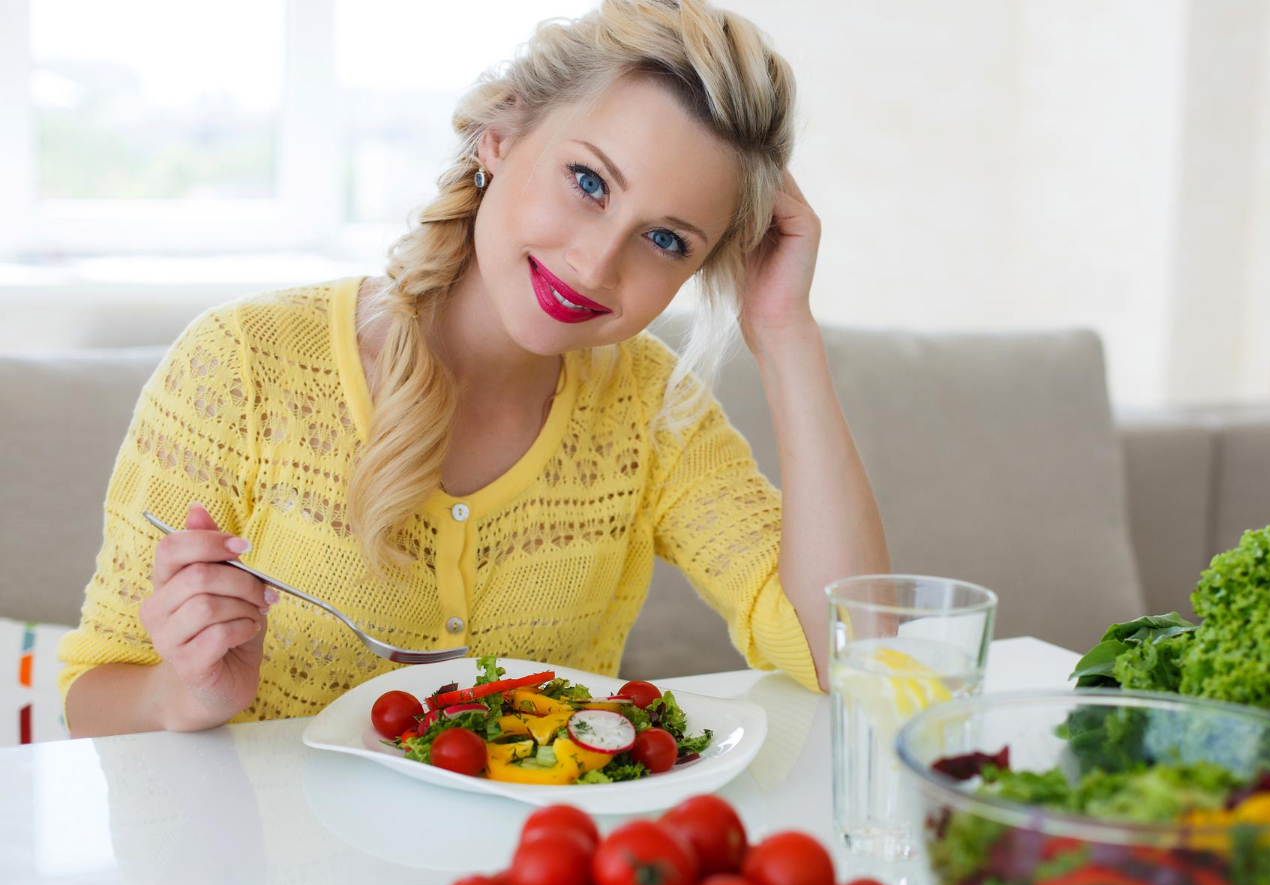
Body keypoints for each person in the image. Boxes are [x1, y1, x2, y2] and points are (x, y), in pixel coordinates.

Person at [59, 0, 889, 737]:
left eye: (667, 240)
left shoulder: (652, 412)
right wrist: (183, 694)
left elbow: (848, 657)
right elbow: (90, 696)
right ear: (500, 133)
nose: (597, 264)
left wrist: (785, 332)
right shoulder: (242, 364)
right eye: (589, 181)